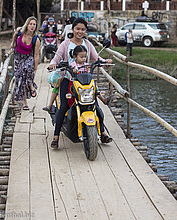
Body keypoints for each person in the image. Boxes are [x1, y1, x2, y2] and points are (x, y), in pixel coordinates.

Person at [48, 17, 112, 149]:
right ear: (73, 29)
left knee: (95, 105)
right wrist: (53, 64)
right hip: (69, 80)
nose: (80, 31)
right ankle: (56, 137)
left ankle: (103, 133)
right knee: (64, 106)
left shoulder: (88, 44)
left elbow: (96, 57)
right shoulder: (65, 44)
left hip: (85, 81)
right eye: (78, 28)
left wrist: (105, 62)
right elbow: (56, 58)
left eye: (83, 29)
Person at [10, 16, 40, 110]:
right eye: (30, 24)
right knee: (20, 79)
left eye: (34, 24)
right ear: (27, 24)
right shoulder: (19, 31)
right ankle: (24, 103)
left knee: (26, 69)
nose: (32, 26)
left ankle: (31, 86)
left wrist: (35, 68)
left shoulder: (36, 39)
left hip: (28, 57)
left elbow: (36, 55)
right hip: (18, 57)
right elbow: (15, 35)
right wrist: (12, 43)